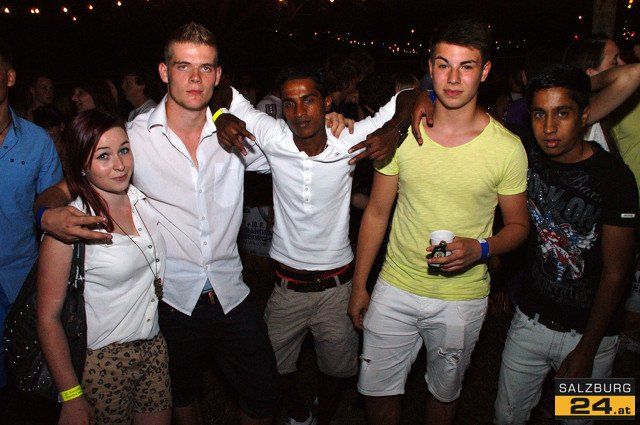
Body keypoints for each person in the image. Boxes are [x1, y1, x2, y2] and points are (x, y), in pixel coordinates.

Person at [36, 22, 280, 425]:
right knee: (180, 396)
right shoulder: (134, 139)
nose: (195, 78)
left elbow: (297, 154)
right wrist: (46, 215)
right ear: (165, 72)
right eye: (184, 66)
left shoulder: (236, 136)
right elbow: (63, 190)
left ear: (217, 75)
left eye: (205, 68)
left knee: (264, 396)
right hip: (171, 302)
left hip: (231, 292)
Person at [348, 19, 530, 425]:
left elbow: (519, 227)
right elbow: (377, 212)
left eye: (467, 66)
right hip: (395, 287)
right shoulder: (403, 134)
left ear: (484, 72)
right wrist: (360, 285)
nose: (453, 78)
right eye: (444, 65)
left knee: (443, 398)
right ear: (430, 67)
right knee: (375, 394)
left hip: (461, 299)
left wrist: (481, 248)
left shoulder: (506, 148)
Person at [215, 66, 417, 425]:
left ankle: (323, 415)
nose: (299, 112)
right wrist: (220, 115)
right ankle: (298, 412)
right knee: (270, 367)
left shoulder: (348, 139)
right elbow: (222, 89)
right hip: (286, 288)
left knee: (338, 370)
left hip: (337, 288)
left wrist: (394, 129)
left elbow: (411, 95)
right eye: (290, 103)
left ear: (326, 103)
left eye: (308, 100)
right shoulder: (273, 136)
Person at [494, 64, 638, 425]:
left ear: (584, 115)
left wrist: (587, 349)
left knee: (580, 420)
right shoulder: (524, 151)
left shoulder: (616, 178)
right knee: (506, 417)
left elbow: (617, 273)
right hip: (530, 323)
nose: (549, 127)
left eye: (562, 113)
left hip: (596, 336)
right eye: (539, 114)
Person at [38, 110, 171, 425]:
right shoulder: (71, 224)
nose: (120, 165)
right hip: (101, 363)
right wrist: (71, 395)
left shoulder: (143, 202)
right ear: (82, 165)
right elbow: (47, 318)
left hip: (154, 349)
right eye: (103, 156)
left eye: (124, 150)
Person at [0, 38, 63, 394]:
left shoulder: (37, 142)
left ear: (9, 77)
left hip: (21, 279)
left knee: (33, 380)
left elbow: (52, 207)